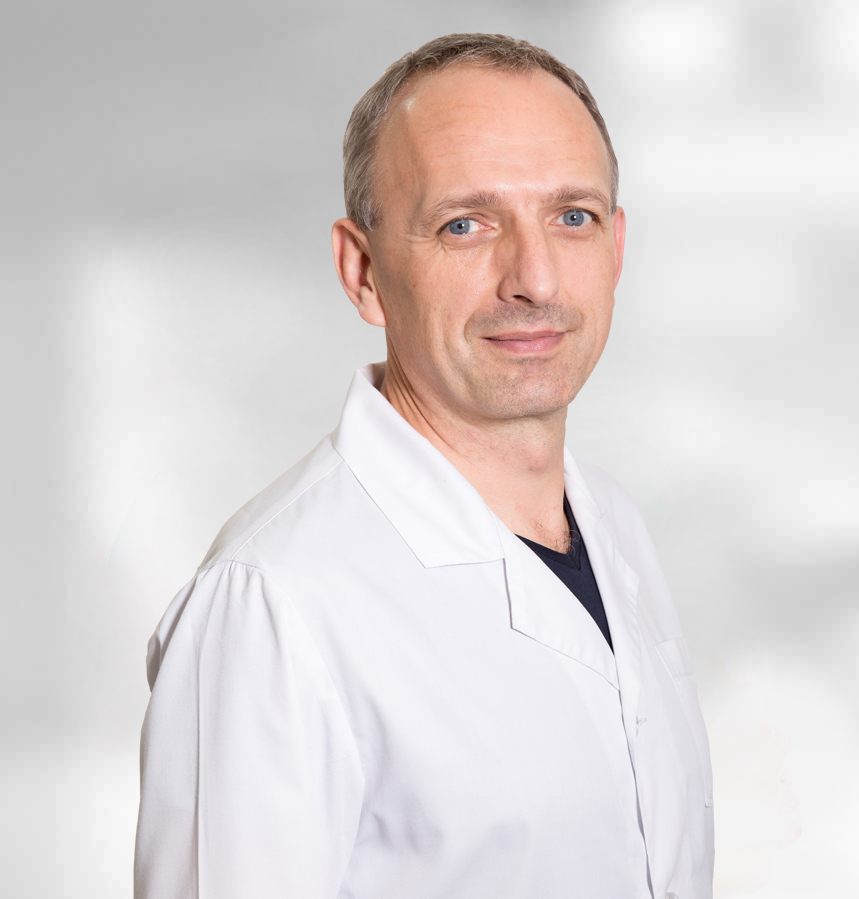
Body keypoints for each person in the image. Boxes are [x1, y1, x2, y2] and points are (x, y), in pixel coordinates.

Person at [135, 33, 714, 899]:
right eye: (464, 225)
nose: (535, 278)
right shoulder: (272, 603)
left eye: (572, 216)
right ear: (363, 271)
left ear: (616, 248)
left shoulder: (612, 523)